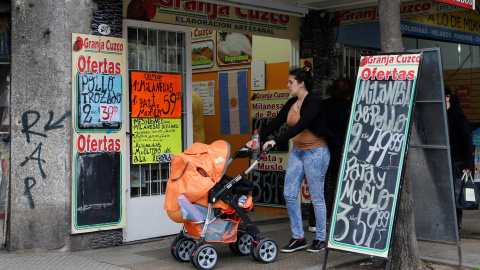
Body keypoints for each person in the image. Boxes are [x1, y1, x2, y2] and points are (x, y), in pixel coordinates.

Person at [247, 66, 334, 253]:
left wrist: (275, 141)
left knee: (317, 197)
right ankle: (298, 237)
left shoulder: (314, 102)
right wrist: (258, 138)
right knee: (289, 193)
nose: (287, 85)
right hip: (298, 152)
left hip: (316, 152)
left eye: (290, 82)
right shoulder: (292, 102)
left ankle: (320, 238)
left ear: (301, 84)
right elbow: (277, 121)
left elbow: (300, 126)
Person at [308, 78, 353, 233]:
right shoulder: (351, 107)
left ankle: (313, 222)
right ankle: (336, 221)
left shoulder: (324, 105)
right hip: (341, 152)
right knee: (337, 188)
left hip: (321, 149)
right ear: (349, 93)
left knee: (318, 188)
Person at [445, 85, 474, 237]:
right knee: (445, 196)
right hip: (442, 162)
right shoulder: (437, 116)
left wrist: (469, 165)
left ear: (447, 97)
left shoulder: (457, 116)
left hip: (457, 163)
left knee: (456, 198)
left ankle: (455, 229)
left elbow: (467, 141)